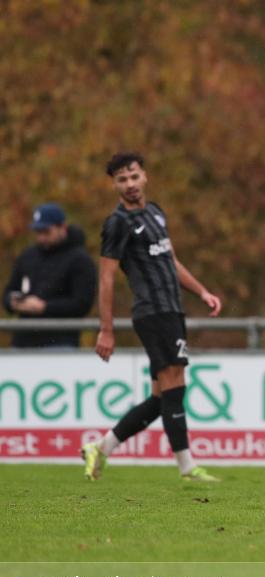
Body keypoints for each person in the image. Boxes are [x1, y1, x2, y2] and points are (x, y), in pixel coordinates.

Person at [81, 152, 224, 482]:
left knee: (162, 397)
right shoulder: (117, 224)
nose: (129, 184)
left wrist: (201, 291)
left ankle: (101, 448)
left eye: (134, 177)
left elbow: (170, 261)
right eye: (122, 179)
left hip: (172, 309)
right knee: (175, 385)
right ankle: (187, 468)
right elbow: (106, 277)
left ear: (144, 176)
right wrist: (106, 329)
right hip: (152, 312)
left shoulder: (156, 212)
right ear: (114, 184)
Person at [2, 203, 97, 348]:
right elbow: (8, 292)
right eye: (38, 232)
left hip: (60, 342)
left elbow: (82, 303)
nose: (41, 237)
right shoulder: (28, 255)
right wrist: (13, 302)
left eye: (46, 232)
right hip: (22, 341)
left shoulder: (80, 260)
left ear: (62, 227)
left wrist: (45, 307)